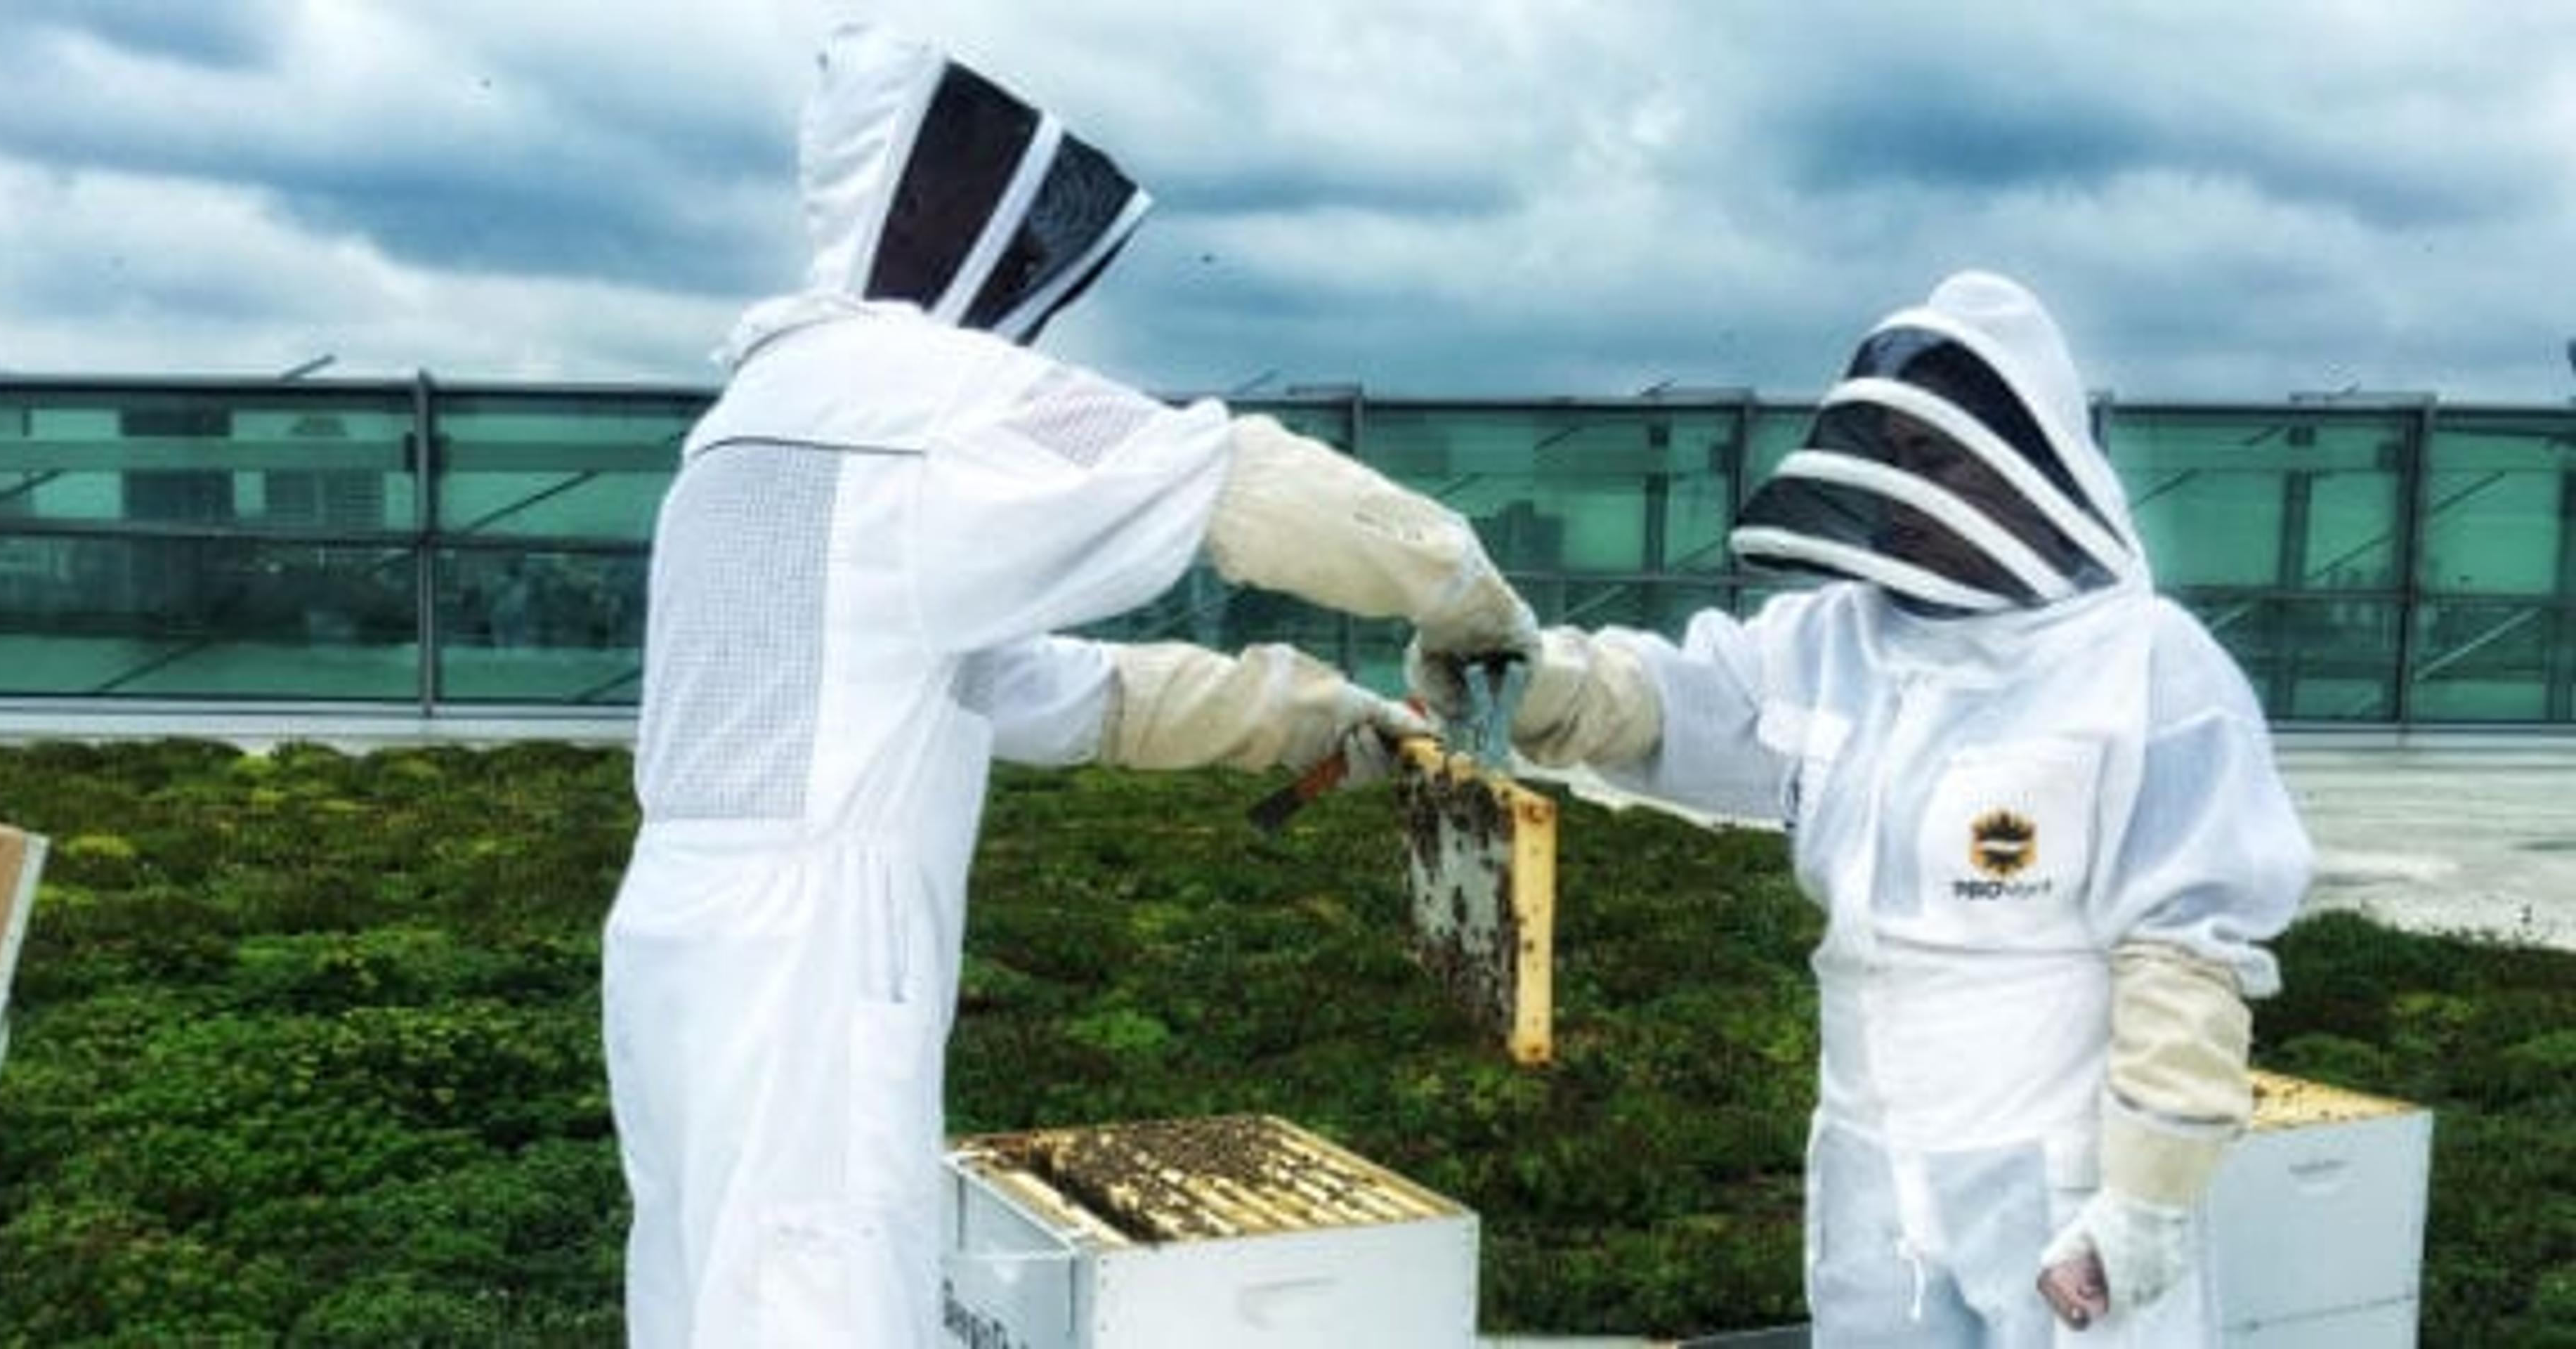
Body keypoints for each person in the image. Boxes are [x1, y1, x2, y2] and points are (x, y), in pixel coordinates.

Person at [601, 22, 1536, 1348]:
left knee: (713, 1304)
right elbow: (1241, 485)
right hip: (802, 969)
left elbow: (1041, 688)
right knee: (819, 1303)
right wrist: (1465, 591)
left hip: (686, 954)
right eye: (994, 191)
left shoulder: (767, 407)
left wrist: (1305, 717)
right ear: (917, 197)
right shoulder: (902, 391)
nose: (1032, 252)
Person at [1411, 271, 2311, 1344]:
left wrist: (2151, 1194)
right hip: (1872, 1165)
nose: (1900, 493)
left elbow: (2186, 953)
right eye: (1892, 461)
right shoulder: (1841, 642)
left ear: (2029, 461)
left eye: (1932, 460)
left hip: (2057, 1176)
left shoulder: (2148, 669)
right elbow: (1677, 702)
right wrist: (1537, 676)